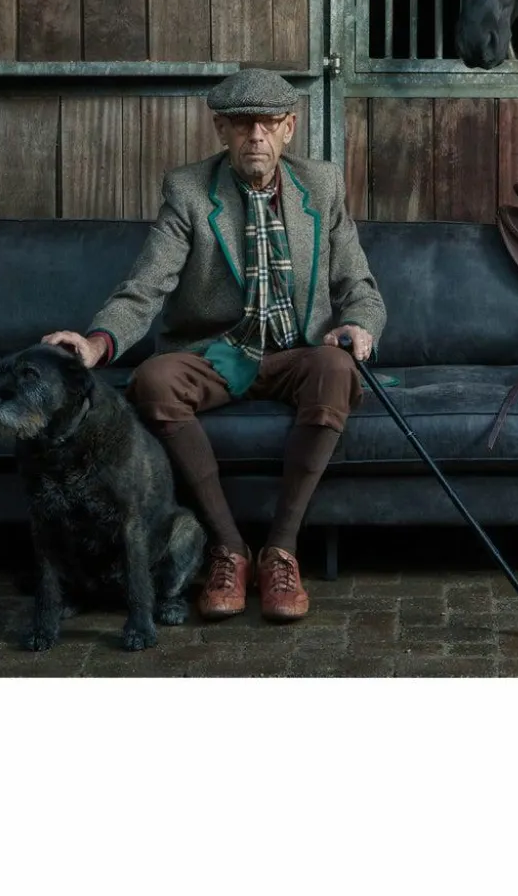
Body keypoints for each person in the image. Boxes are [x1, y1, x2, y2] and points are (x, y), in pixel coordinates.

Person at [43, 67, 385, 623]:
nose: (256, 136)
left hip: (298, 352)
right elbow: (146, 285)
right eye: (243, 124)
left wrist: (359, 326)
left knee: (337, 368)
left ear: (289, 128)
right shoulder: (188, 191)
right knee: (153, 380)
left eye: (268, 124)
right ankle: (229, 548)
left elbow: (358, 286)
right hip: (219, 353)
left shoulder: (322, 185)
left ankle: (281, 551)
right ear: (222, 130)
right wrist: (97, 343)